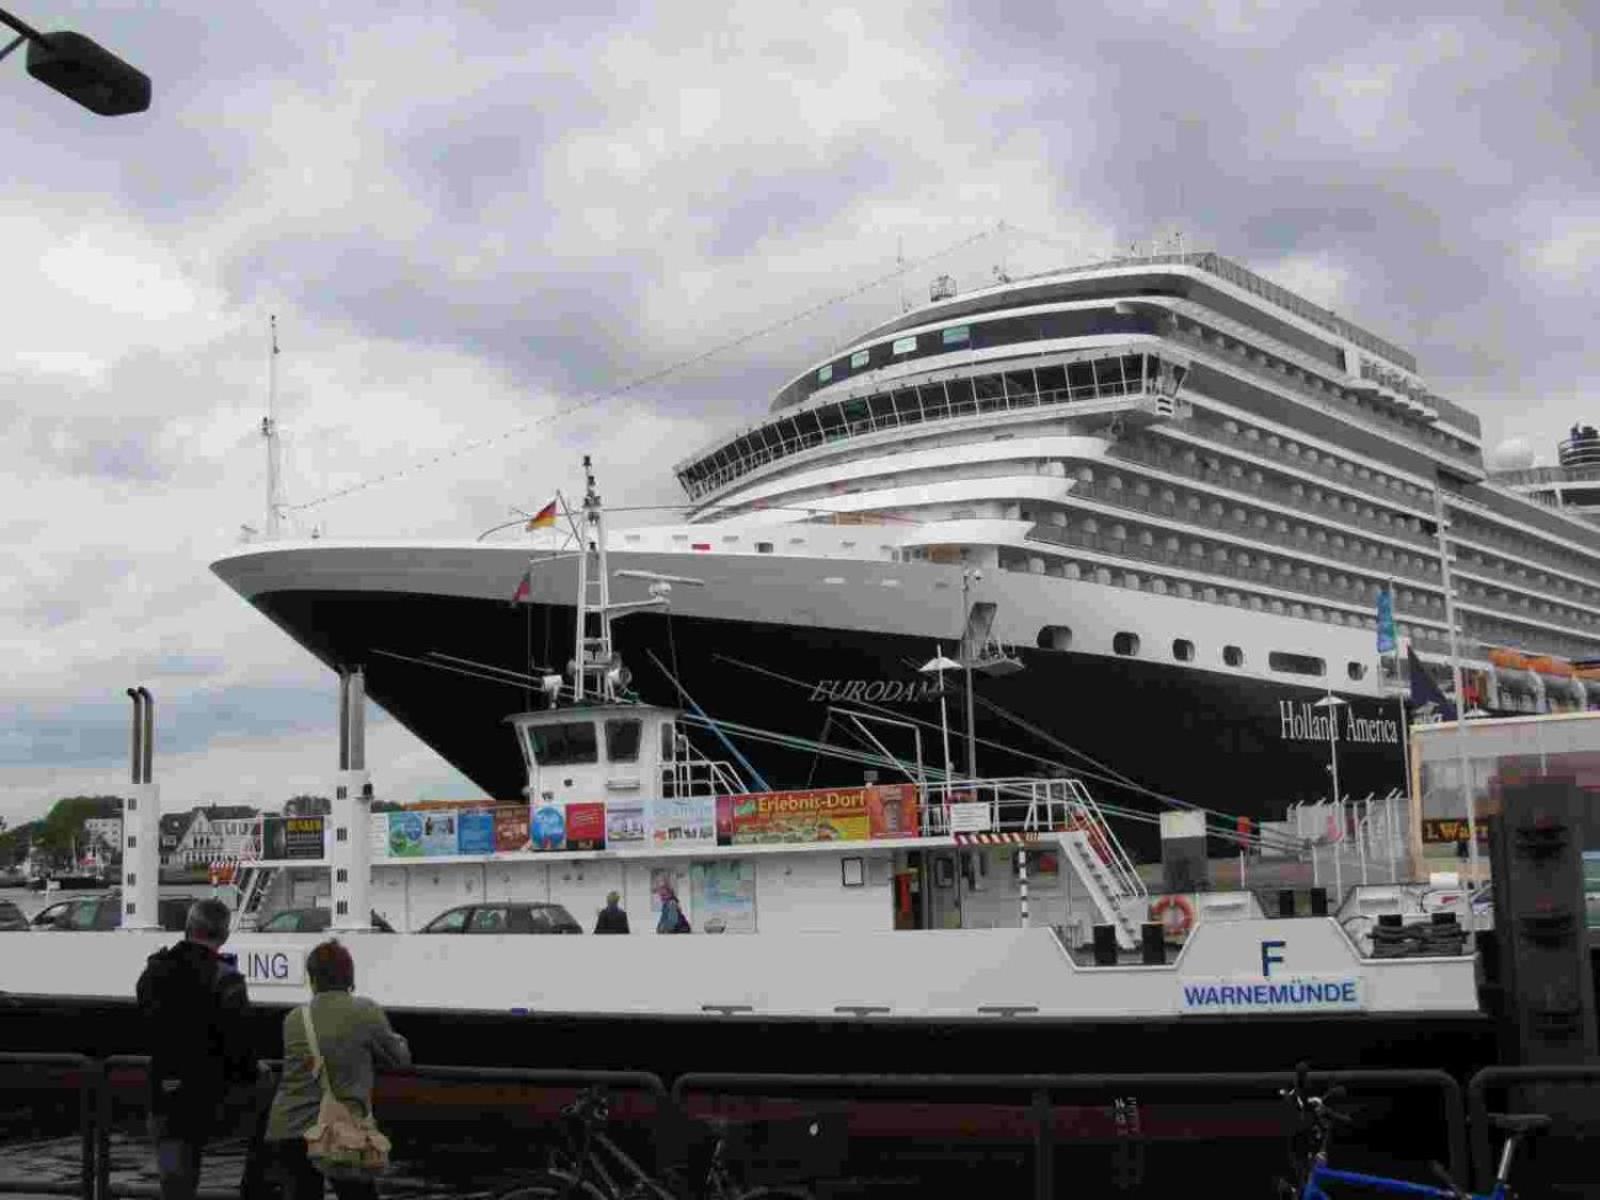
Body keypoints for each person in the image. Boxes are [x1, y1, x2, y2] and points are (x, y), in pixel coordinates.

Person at [135, 897, 273, 1200]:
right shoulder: (226, 978)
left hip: (164, 1092)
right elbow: (239, 1044)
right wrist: (253, 1070)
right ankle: (257, 1182)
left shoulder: (153, 972)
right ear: (223, 936)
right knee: (268, 1089)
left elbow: (145, 1022)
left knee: (175, 1178)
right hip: (209, 1097)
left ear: (187, 928)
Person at [265, 940, 411, 1200]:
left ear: (312, 978)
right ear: (349, 975)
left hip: (289, 1128)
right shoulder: (365, 1011)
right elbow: (400, 1060)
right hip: (342, 1132)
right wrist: (397, 1039)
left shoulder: (294, 1018)